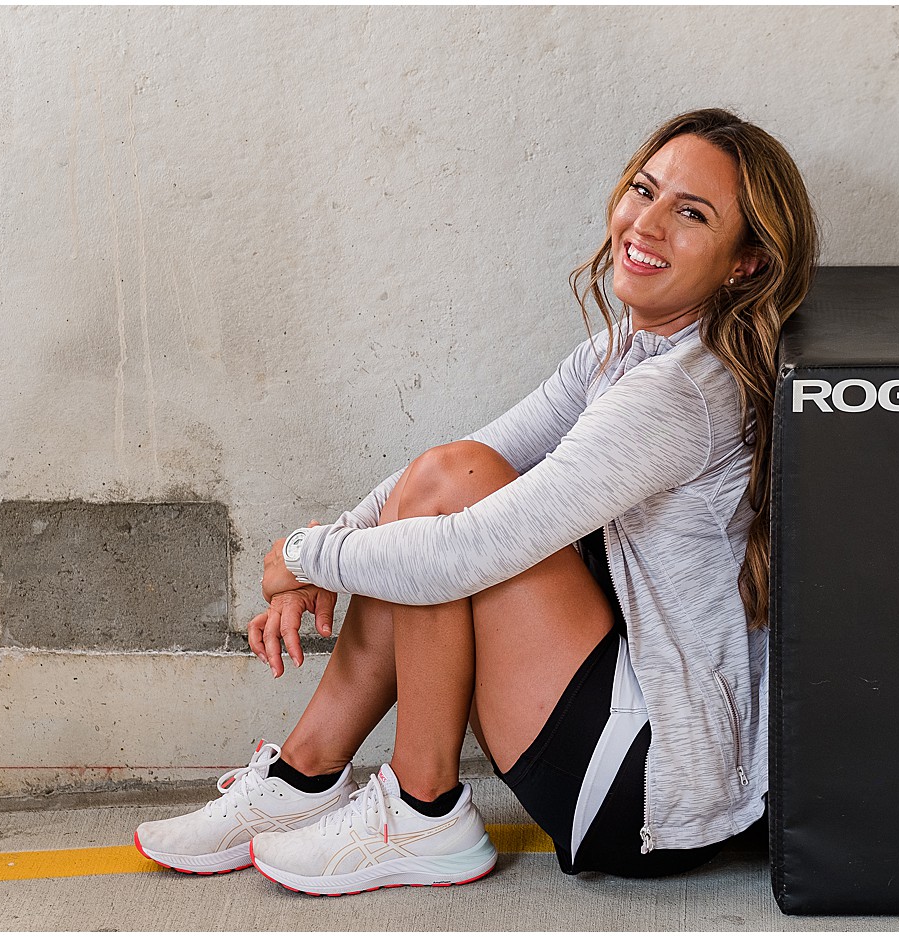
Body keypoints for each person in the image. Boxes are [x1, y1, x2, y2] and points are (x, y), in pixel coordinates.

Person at [133, 107, 818, 894]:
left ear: (746, 264)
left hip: (648, 786)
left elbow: (464, 549)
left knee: (450, 523)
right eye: (645, 189)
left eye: (691, 213)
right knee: (449, 475)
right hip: (619, 721)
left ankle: (423, 808)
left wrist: (298, 555)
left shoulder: (681, 394)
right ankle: (303, 777)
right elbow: (456, 467)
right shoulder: (625, 351)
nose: (648, 222)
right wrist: (335, 544)